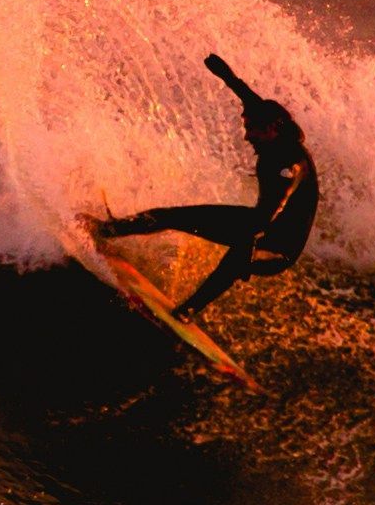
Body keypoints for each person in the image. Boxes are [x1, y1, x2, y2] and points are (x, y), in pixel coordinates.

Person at [93, 54, 319, 320]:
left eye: (252, 130)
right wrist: (225, 74)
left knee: (238, 257)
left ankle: (188, 311)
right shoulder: (267, 116)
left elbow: (267, 216)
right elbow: (244, 91)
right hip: (254, 222)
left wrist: (250, 241)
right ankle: (108, 229)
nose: (247, 136)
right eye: (247, 128)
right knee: (173, 216)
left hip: (278, 247)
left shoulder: (290, 167)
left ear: (271, 129)